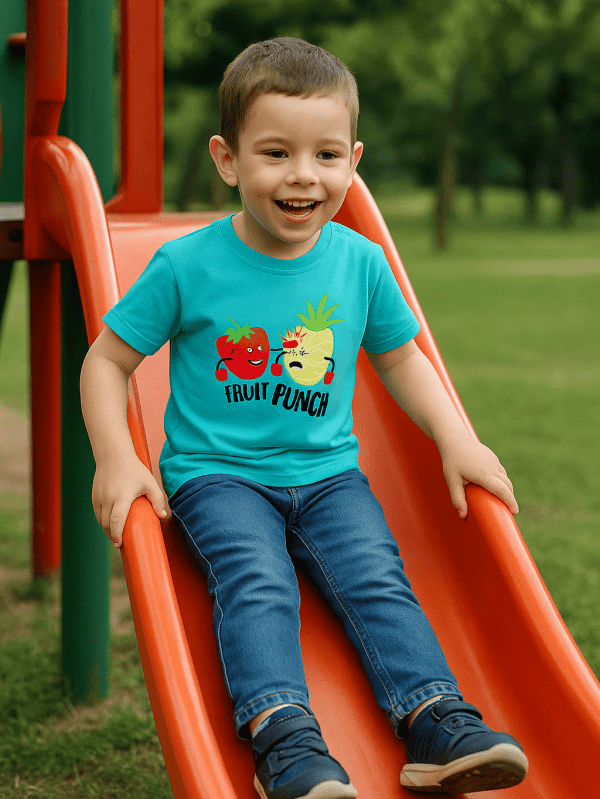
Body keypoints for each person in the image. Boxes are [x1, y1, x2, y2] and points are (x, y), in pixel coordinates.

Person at [80, 37, 528, 798]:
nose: (302, 176)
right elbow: (107, 360)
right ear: (228, 158)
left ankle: (435, 716)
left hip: (328, 474)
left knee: (377, 576)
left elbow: (401, 358)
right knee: (257, 578)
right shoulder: (188, 266)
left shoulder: (359, 262)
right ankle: (284, 736)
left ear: (353, 160)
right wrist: (119, 457)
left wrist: (457, 435)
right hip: (218, 478)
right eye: (276, 152)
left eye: (325, 156)